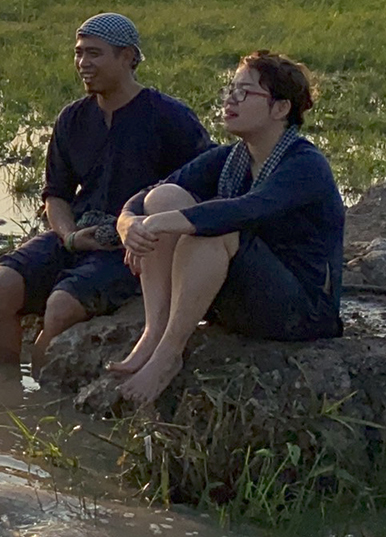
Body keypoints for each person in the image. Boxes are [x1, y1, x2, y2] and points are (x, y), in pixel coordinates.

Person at [111, 50, 345, 405]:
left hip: (299, 310)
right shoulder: (233, 157)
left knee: (211, 230)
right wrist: (129, 223)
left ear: (280, 108)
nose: (229, 100)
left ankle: (169, 354)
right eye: (230, 90)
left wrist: (157, 226)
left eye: (244, 92)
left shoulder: (305, 165)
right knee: (165, 197)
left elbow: (246, 210)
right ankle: (155, 330)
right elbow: (148, 195)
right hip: (243, 294)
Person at [0, 13, 211, 364]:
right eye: (78, 53)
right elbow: (55, 194)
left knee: (60, 307)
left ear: (128, 57)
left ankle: (36, 404)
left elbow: (203, 189)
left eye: (94, 54)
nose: (83, 64)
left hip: (131, 248)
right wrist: (70, 235)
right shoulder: (72, 118)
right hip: (78, 234)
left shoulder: (169, 117)